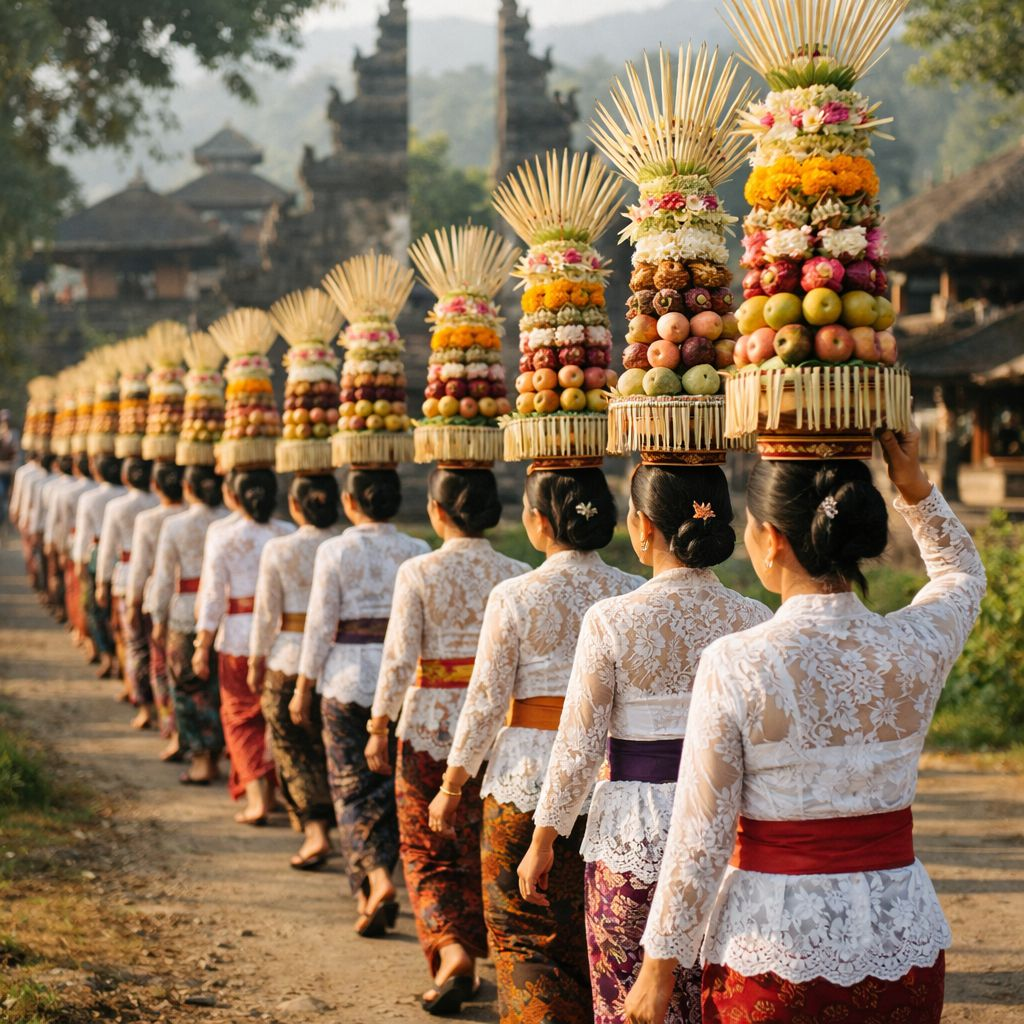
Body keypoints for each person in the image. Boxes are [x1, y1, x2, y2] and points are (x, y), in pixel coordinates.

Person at [623, 425, 986, 1024]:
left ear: (771, 540)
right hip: (902, 940)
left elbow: (699, 836)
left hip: (775, 951)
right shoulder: (914, 644)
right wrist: (914, 485)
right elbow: (962, 577)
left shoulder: (737, 661)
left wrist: (659, 968)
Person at [519, 464, 771, 1024]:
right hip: (726, 836)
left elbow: (579, 746)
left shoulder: (612, 619)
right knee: (711, 999)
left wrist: (544, 839)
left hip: (634, 834)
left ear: (640, 526)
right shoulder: (754, 618)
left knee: (627, 1001)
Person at [432, 467, 644, 1024]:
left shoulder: (516, 595)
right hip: (607, 779)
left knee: (523, 934)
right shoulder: (632, 592)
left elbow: (484, 701)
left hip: (523, 778)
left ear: (538, 521)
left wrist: (453, 783)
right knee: (592, 930)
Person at [367, 467, 529, 1015]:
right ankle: (482, 955)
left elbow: (398, 658)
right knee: (476, 846)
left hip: (426, 726)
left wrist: (377, 724)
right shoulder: (516, 574)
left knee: (423, 847)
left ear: (437, 512)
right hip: (496, 732)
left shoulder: (418, 572)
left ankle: (452, 949)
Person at [296, 469, 428, 933]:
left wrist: (302, 685)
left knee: (350, 786)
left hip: (344, 680)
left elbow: (320, 624)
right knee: (391, 789)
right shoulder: (417, 550)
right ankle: (386, 876)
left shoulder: (333, 550)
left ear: (350, 501)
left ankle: (372, 883)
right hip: (401, 684)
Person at [248, 474, 341, 869]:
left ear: (295, 506)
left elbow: (266, 612)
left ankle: (315, 832)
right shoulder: (344, 546)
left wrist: (255, 659)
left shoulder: (279, 549)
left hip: (287, 660)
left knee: (293, 749)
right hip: (340, 664)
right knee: (334, 751)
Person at [193, 468, 294, 825]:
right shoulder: (289, 534)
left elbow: (211, 596)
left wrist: (201, 644)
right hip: (283, 639)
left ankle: (257, 799)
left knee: (239, 718)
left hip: (237, 637)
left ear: (233, 497)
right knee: (273, 717)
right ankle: (277, 792)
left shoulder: (223, 536)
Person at [149, 466, 229, 785]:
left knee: (186, 685)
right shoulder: (229, 521)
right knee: (218, 687)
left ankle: (201, 758)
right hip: (226, 614)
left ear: (187, 486)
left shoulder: (176, 524)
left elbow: (164, 576)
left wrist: (157, 616)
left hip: (185, 611)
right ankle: (220, 754)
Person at [126, 462, 186, 757]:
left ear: (156, 485)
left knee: (161, 667)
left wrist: (133, 601)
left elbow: (142, 568)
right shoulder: (196, 517)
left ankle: (173, 730)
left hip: (163, 602)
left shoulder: (150, 520)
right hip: (196, 603)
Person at [96, 457, 158, 718]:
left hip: (125, 578)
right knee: (154, 644)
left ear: (126, 477)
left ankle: (141, 701)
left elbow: (107, 549)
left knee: (131, 642)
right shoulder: (160, 503)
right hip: (156, 580)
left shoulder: (118, 507)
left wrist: (102, 582)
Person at [72, 454, 125, 678]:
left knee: (97, 610)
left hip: (98, 557)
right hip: (123, 560)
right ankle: (118, 661)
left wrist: (79, 561)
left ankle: (108, 656)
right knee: (116, 613)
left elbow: (84, 535)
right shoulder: (127, 495)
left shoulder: (90, 498)